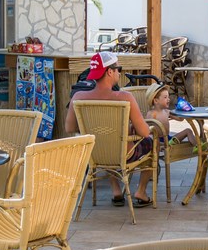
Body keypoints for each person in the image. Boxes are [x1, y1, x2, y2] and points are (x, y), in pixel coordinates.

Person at [65, 51, 154, 207]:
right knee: (151, 141)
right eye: (118, 68)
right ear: (110, 71)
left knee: (105, 141)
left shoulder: (78, 97)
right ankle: (141, 190)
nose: (119, 72)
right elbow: (145, 132)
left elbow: (69, 127)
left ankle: (116, 190)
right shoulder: (125, 97)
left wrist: (92, 125)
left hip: (94, 154)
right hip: (125, 154)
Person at [144, 83, 196, 149]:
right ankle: (162, 147)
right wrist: (157, 143)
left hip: (169, 140)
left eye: (168, 97)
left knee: (188, 131)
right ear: (156, 101)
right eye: (165, 97)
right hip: (158, 141)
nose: (168, 99)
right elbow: (147, 131)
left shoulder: (166, 111)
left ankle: (197, 146)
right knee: (151, 137)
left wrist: (183, 109)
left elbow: (180, 119)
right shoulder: (151, 114)